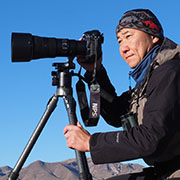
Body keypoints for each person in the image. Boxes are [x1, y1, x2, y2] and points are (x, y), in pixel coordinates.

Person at [64, 9, 180, 180]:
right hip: (164, 169)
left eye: (129, 36)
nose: (123, 48)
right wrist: (95, 71)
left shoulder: (170, 71)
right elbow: (117, 114)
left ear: (153, 35)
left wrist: (90, 143)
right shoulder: (149, 79)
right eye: (119, 41)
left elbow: (151, 138)